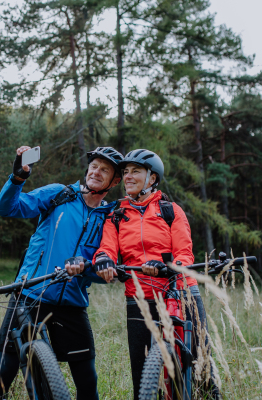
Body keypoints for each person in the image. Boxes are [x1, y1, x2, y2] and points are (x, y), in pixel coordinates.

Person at [0, 145, 124, 400]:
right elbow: (7, 208)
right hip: (29, 293)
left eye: (105, 170)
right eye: (94, 166)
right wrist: (17, 178)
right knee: (2, 374)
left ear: (115, 181)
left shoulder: (109, 218)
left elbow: (104, 271)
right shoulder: (59, 194)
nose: (96, 171)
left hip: (71, 303)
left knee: (87, 381)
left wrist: (85, 269)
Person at [91, 149, 220, 400]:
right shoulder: (116, 213)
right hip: (139, 296)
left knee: (201, 361)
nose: (128, 176)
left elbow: (184, 252)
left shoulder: (170, 210)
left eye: (135, 171)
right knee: (142, 372)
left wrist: (168, 266)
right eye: (125, 172)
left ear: (152, 178)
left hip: (181, 292)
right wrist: (104, 259)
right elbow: (107, 247)